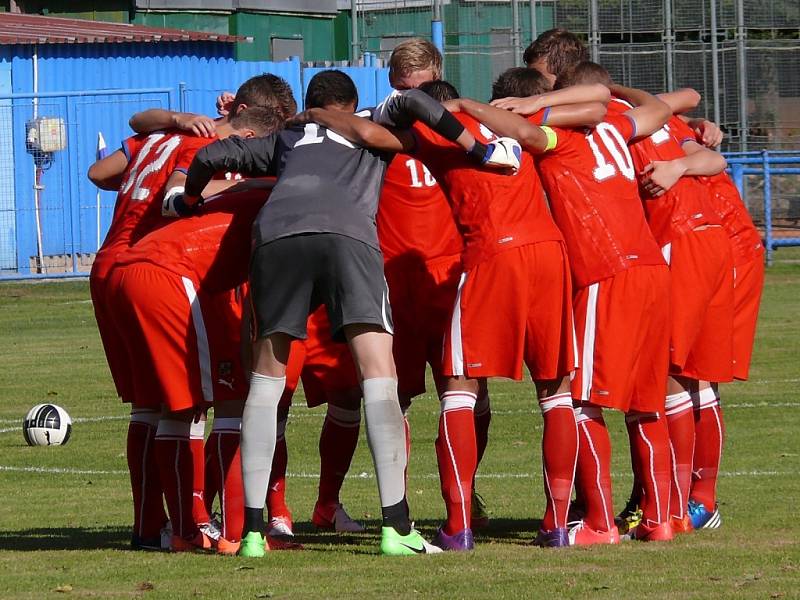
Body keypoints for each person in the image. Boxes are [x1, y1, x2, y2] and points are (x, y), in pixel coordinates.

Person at [177, 70, 517, 556]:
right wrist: (480, 150)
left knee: (267, 381)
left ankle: (252, 532)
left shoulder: (286, 136)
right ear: (351, 102)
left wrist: (188, 201)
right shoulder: (365, 123)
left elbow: (210, 155)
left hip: (276, 240)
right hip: (347, 238)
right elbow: (417, 101)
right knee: (378, 373)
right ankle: (396, 527)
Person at [461, 63, 676, 544]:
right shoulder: (611, 128)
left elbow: (525, 132)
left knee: (581, 401)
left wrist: (491, 109)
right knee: (646, 405)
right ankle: (660, 519)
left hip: (607, 271)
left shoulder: (561, 138)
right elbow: (655, 108)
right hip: (649, 269)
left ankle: (599, 524)